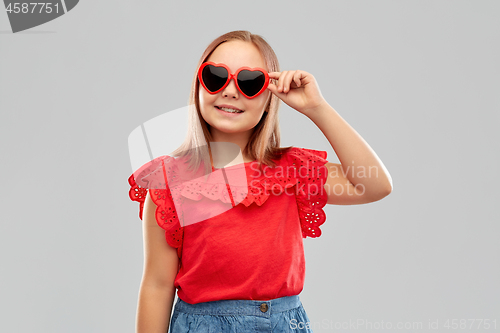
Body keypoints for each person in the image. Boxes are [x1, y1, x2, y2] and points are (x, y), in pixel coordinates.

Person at [128, 30, 393, 333]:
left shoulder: (293, 171)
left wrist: (316, 108)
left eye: (249, 82)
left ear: (269, 99)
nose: (230, 91)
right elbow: (157, 285)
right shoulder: (169, 182)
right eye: (215, 77)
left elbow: (374, 185)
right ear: (199, 87)